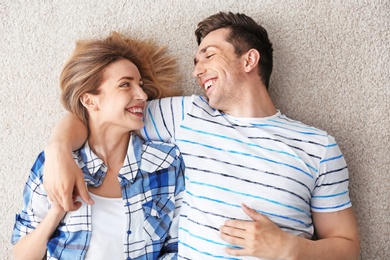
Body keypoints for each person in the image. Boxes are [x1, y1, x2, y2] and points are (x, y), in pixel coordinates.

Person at [42, 12, 360, 259]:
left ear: (249, 60)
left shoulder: (318, 146)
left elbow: (347, 248)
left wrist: (290, 249)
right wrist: (58, 150)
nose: (197, 70)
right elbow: (102, 111)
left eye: (208, 55)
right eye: (196, 62)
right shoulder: (189, 115)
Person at [11, 32, 185, 259]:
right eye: (125, 85)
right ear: (90, 100)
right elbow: (21, 255)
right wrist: (58, 210)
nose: (142, 95)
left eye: (140, 85)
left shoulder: (166, 163)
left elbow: (177, 247)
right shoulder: (53, 163)